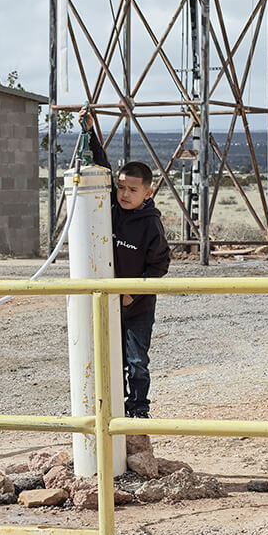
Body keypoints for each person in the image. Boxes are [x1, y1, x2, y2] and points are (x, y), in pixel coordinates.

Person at [79, 108, 170, 418]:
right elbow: (102, 166)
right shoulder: (112, 210)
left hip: (137, 306)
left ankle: (139, 410)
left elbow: (160, 266)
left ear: (148, 191)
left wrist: (133, 293)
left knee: (136, 361)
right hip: (110, 302)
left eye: (133, 189)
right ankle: (115, 407)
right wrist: (89, 131)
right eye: (121, 187)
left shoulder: (150, 225)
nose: (125, 194)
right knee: (111, 358)